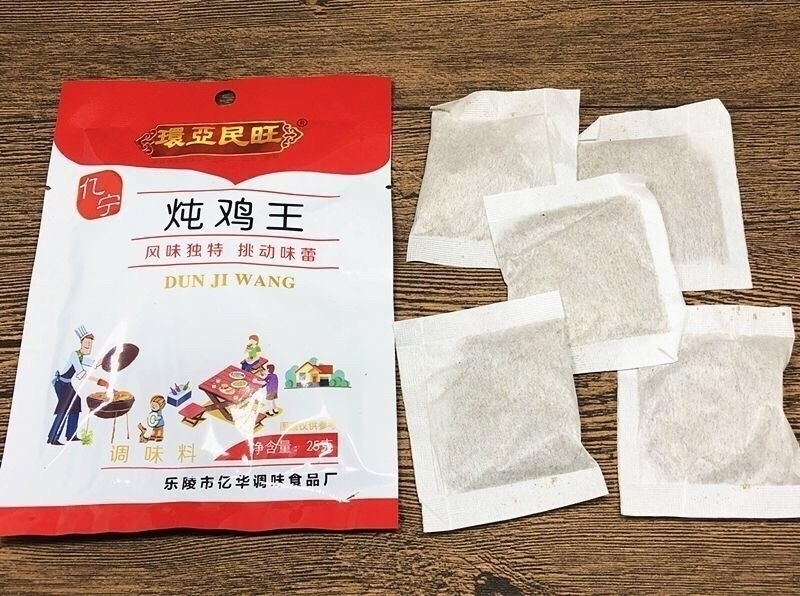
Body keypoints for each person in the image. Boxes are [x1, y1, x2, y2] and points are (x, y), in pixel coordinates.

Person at [48, 325, 97, 445]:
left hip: (67, 384)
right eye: (86, 342)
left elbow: (93, 363)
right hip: (61, 383)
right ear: (81, 342)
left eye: (90, 343)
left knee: (76, 402)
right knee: (64, 408)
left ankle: (71, 434)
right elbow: (81, 373)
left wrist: (107, 359)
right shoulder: (74, 355)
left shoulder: (80, 357)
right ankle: (53, 438)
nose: (88, 345)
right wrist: (99, 381)